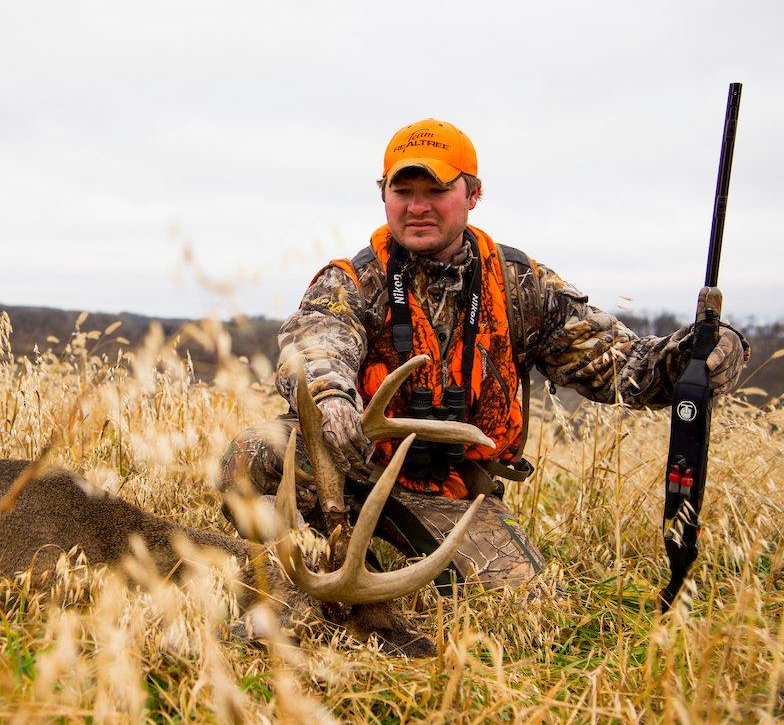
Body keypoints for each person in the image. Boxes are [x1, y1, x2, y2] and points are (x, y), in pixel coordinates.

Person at [219, 118, 749, 590]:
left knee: (519, 593)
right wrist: (330, 395)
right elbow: (314, 343)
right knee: (252, 455)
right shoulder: (355, 280)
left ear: (473, 194)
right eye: (403, 190)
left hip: (451, 491)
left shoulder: (521, 287)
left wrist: (695, 357)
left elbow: (624, 369)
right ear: (384, 195)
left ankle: (399, 559)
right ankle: (291, 567)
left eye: (437, 189)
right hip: (357, 467)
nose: (418, 206)